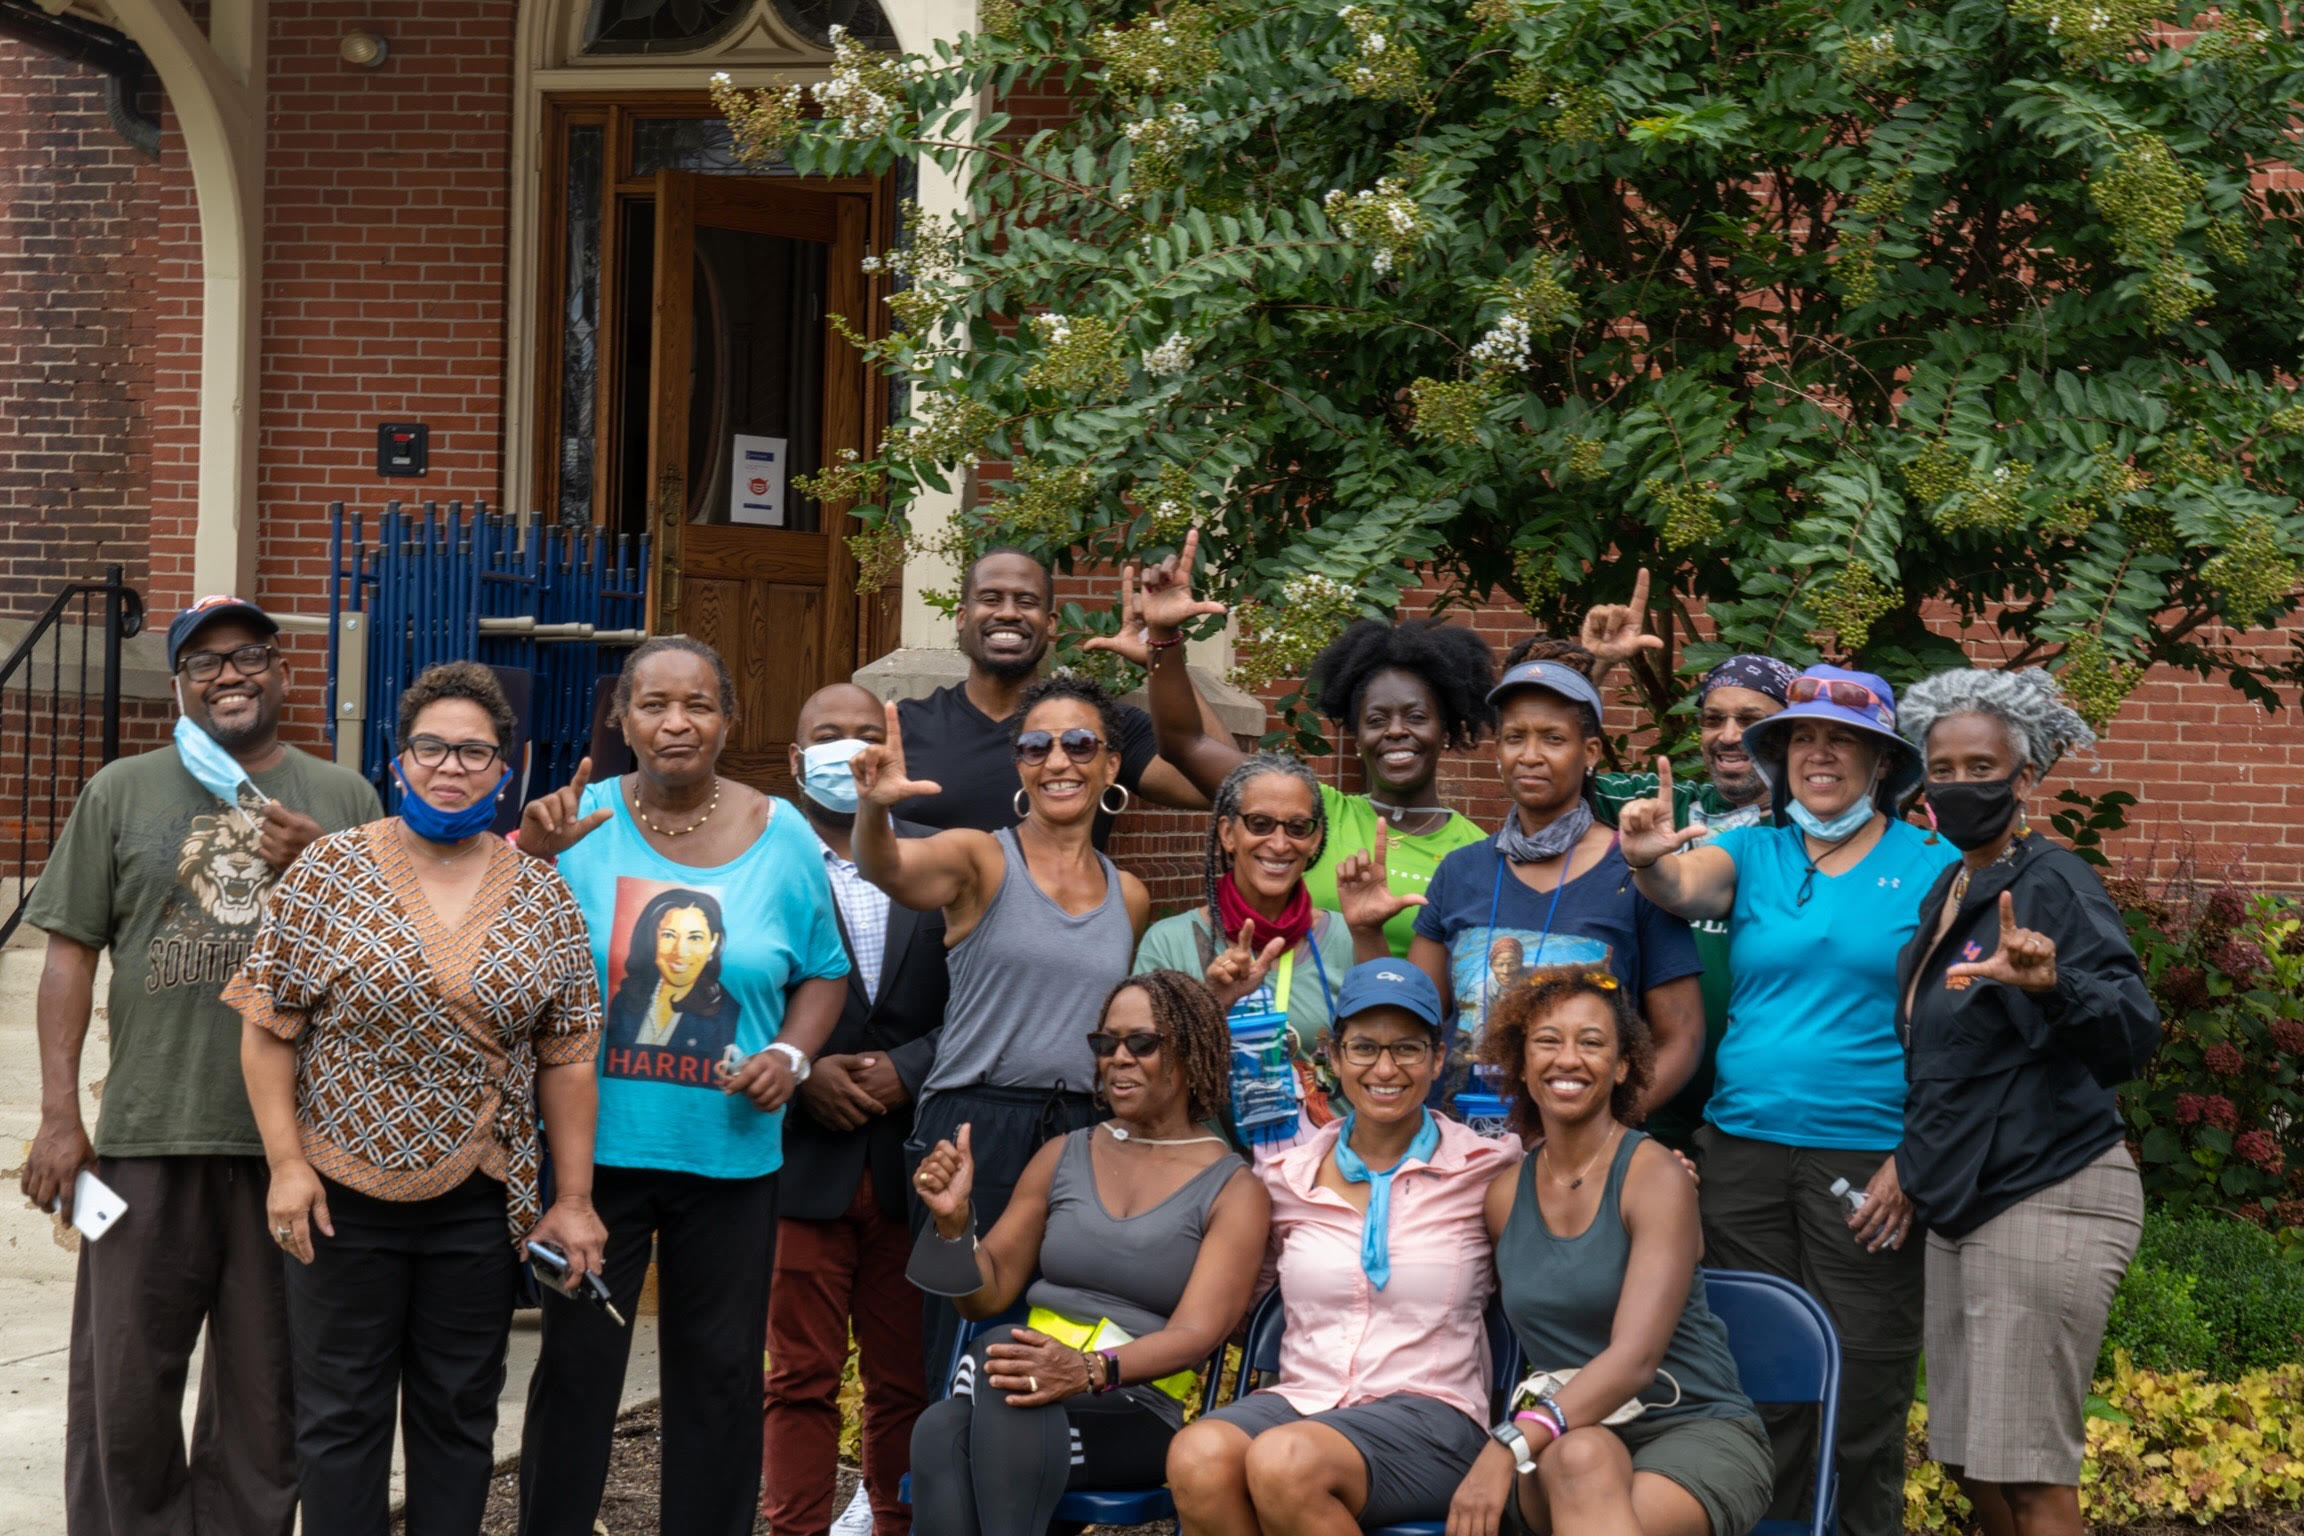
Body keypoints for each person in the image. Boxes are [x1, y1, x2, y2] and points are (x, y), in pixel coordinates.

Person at [16, 595, 379, 1536]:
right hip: (148, 1131)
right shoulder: (122, 791)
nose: (230, 674)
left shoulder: (345, 801)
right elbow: (68, 954)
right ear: (179, 684)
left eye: (249, 655)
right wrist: (62, 1115)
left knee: (268, 1401)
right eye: (205, 661)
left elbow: (392, 959)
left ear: (282, 673)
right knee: (125, 1396)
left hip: (294, 1153)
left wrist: (325, 865)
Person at [224, 660, 605, 1536]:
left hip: (477, 1201)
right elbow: (265, 1025)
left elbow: (569, 1054)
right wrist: (286, 1166)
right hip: (336, 1196)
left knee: (458, 1417)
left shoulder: (543, 895)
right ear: (399, 763)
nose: (451, 767)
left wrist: (574, 1200)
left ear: (505, 769)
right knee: (340, 1418)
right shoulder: (328, 871)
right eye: (431, 748)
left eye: (475, 752)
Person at [513, 636, 850, 1536]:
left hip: (730, 1157)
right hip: (594, 1160)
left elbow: (823, 971)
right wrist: (529, 863)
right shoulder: (573, 822)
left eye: (697, 704)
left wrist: (791, 1056)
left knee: (722, 1375)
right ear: (622, 720)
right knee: (578, 1373)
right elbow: (499, 955)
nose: (676, 723)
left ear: (727, 721)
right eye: (654, 705)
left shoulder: (784, 834)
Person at [1617, 664, 1958, 1536]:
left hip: (1869, 1162)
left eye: (1843, 738)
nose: (1819, 753)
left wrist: (1914, 1159)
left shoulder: (1934, 865)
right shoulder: (1755, 850)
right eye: (1802, 736)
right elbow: (1681, 886)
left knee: (1865, 1383)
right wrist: (1647, 859)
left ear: (1881, 762)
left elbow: (1966, 1034)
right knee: (1757, 1377)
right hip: (1744, 1156)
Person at [1895, 668, 2160, 1536]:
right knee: (1970, 1462)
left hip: (2045, 1190)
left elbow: (2131, 1033)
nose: (1960, 784)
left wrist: (2054, 986)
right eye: (1943, 767)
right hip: (1965, 1201)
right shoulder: (1953, 890)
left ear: (2026, 777)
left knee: (2029, 1472)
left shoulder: (2052, 881)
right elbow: (1949, 1066)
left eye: (1983, 767)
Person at [1134, 534, 1662, 958]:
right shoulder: (1312, 814)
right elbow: (1186, 742)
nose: (1396, 731)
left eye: (1416, 716)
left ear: (1447, 727)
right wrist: (1164, 640)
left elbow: (1558, 761)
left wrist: (1595, 667)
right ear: (1355, 732)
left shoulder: (1476, 855)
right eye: (1376, 718)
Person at [849, 672, 1153, 1387]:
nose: (1058, 762)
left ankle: (1043, 1496)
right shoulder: (980, 857)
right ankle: (944, 1497)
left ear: (1111, 765)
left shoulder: (1129, 894)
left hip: (1082, 1132)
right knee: (962, 1346)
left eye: (1080, 744)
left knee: (1059, 1333)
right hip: (973, 1128)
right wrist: (873, 812)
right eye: (1035, 745)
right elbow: (887, 867)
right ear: (1017, 763)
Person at [907, 971, 1269, 1536]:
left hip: (1134, 1409)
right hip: (1021, 1396)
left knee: (983, 1383)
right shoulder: (1063, 1154)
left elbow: (1197, 1334)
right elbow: (986, 1296)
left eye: (1142, 1043)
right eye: (1106, 1044)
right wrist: (955, 1226)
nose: (1118, 1058)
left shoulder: (1234, 1189)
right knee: (942, 1429)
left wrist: (1087, 1370)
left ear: (1192, 1051)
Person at [1167, 961, 1522, 1535]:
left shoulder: (1487, 1167)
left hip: (1433, 1415)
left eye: (1407, 1048)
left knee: (1285, 1461)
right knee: (1197, 1455)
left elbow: (1568, 1217)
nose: (1385, 1068)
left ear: (1436, 1058)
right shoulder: (1285, 1177)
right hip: (1305, 1399)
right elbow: (1243, 1300)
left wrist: (1658, 1176)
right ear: (1333, 1058)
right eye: (1363, 1047)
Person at [1454, 968, 1774, 1536]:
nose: (1568, 1059)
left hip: (1691, 1428)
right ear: (1521, 1063)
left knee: (1588, 1484)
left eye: (1592, 1042)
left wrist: (1506, 1445)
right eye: (1547, 1041)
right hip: (1565, 1439)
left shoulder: (1654, 1175)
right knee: (1581, 1458)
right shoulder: (1503, 1198)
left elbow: (1634, 1361)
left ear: (1623, 1065)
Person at [764, 683, 949, 1536]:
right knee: (795, 1379)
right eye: (826, 736)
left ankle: (894, 1524)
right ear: (795, 761)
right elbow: (724, 1001)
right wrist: (805, 1075)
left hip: (913, 1169)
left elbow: (980, 1003)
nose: (847, 749)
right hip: (798, 1162)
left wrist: (909, 1067)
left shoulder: (940, 866)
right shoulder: (758, 865)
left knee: (905, 1379)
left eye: (865, 734)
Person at [1407, 640, 1705, 1109]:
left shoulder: (1636, 874)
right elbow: (1414, 1022)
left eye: (1552, 738)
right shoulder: (1460, 871)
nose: (1530, 755)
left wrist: (1603, 1133)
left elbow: (1682, 1038)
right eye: (1514, 737)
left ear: (1589, 752)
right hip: (1460, 1153)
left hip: (1579, 1164)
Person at [1591, 655, 1796, 1150]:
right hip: (1651, 1109)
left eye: (1751, 721)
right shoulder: (1663, 804)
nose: (1728, 735)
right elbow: (1560, 768)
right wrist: (1593, 672)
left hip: (1759, 1118)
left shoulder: (1813, 836)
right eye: (1712, 719)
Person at [893, 547, 1210, 849]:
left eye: (1026, 601)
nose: (1008, 613)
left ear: (1050, 623)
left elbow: (1218, 787)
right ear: (962, 617)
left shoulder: (1100, 725)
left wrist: (1162, 653)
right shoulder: (903, 727)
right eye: (990, 598)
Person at [1132, 753, 1358, 1157]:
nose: (1279, 843)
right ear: (1227, 833)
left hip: (1325, 1185)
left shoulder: (1346, 937)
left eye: (1297, 827)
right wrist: (1210, 1006)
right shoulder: (1169, 942)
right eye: (1259, 823)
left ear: (1315, 839)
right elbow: (1142, 1076)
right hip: (1209, 1179)